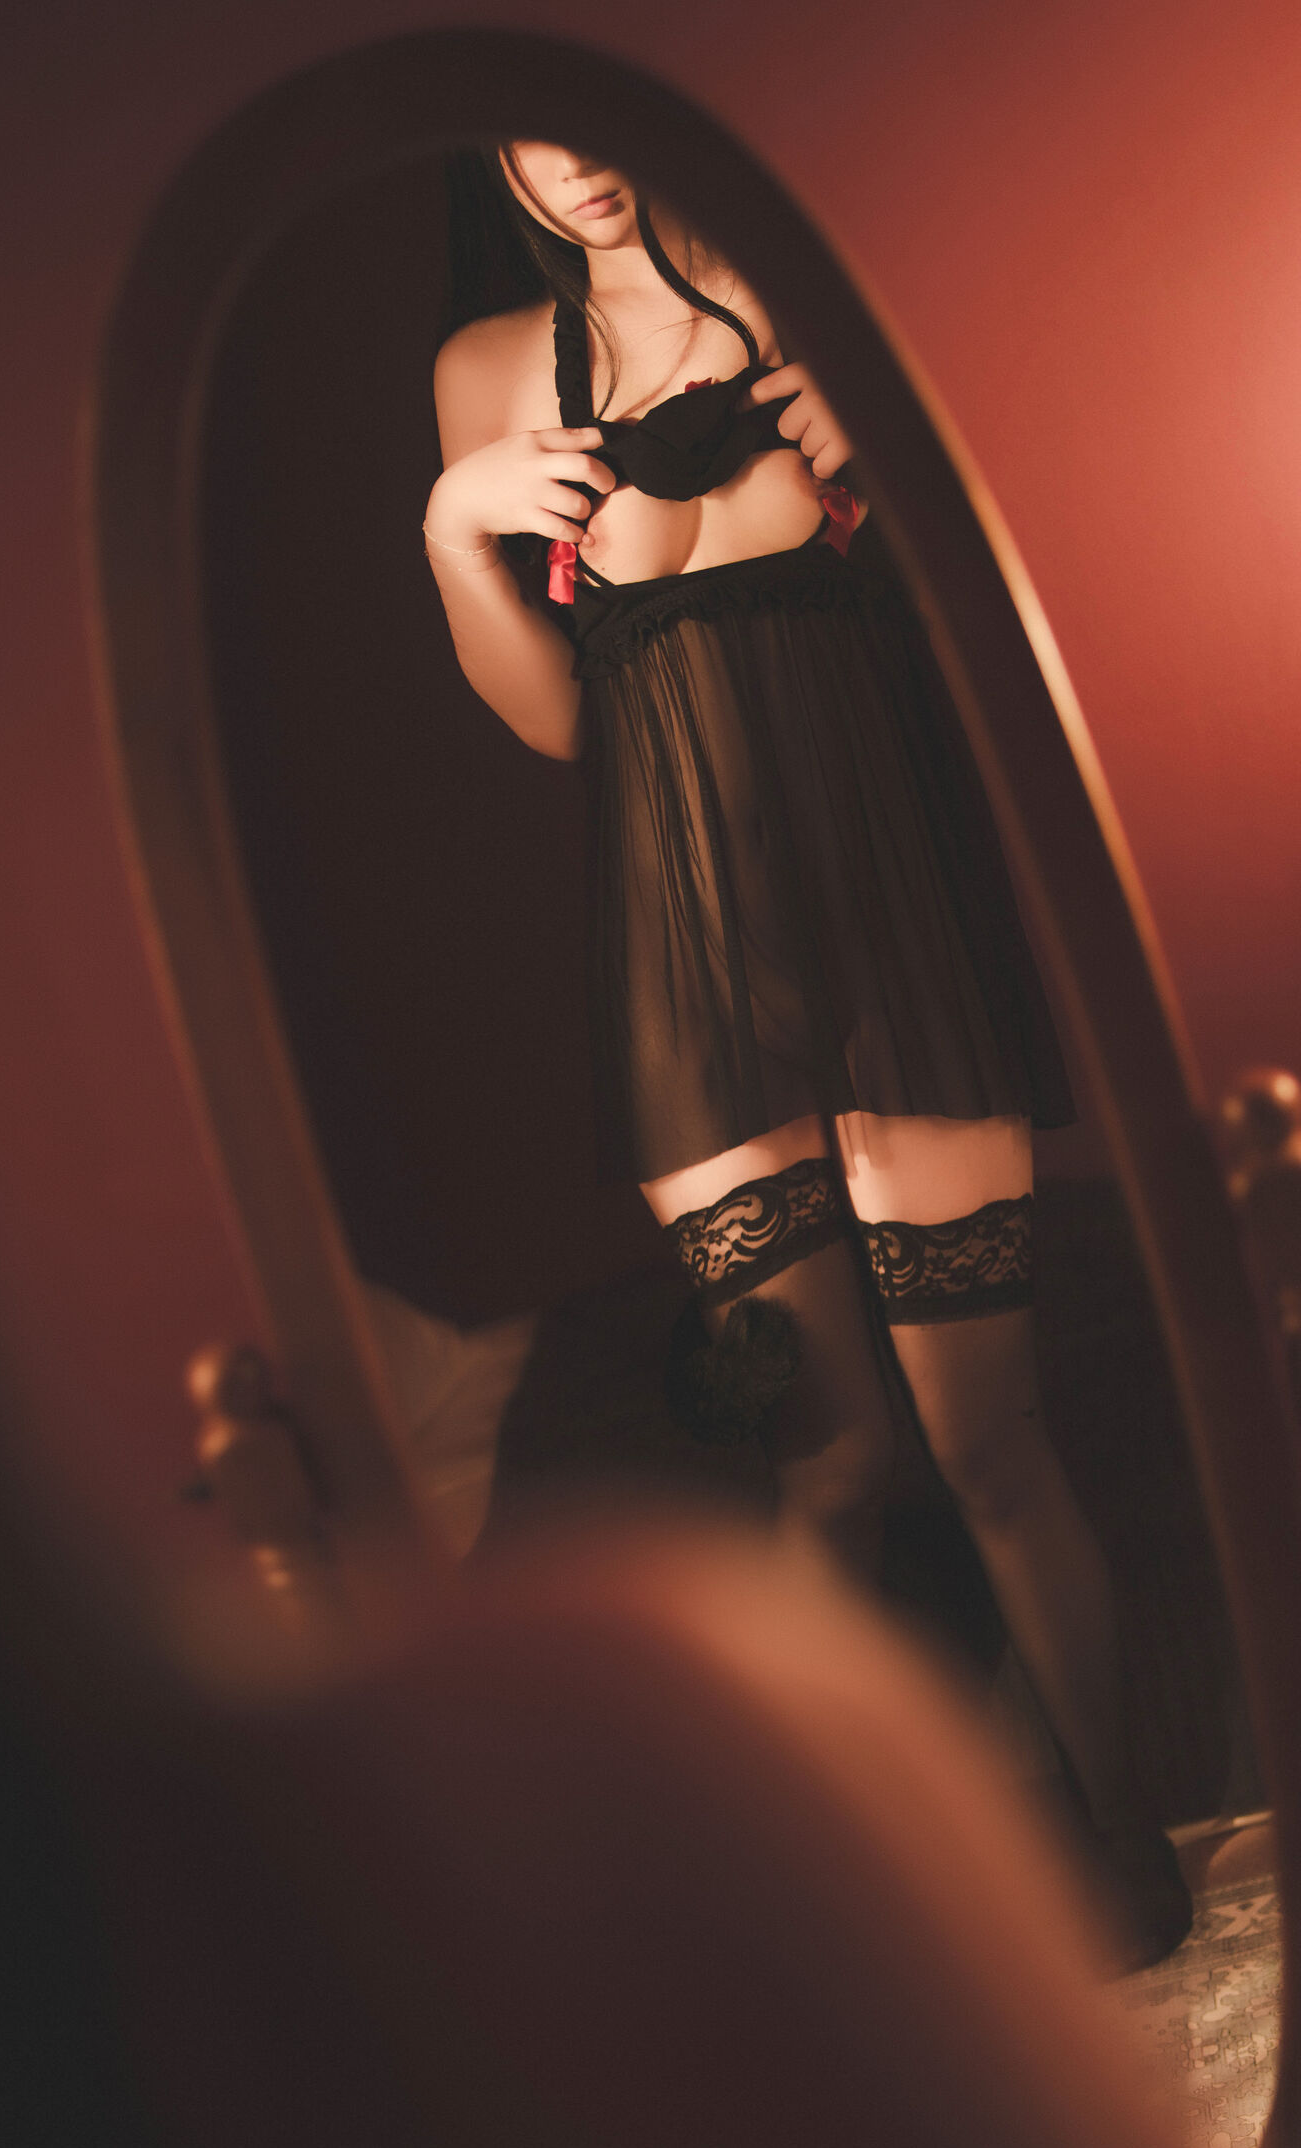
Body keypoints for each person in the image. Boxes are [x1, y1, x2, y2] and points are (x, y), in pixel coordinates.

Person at [422, 141, 1189, 1967]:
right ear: (492, 150)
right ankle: (858, 1916)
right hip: (682, 973)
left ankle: (1125, 1846)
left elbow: (1008, 592)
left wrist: (902, 457)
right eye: (527, 129)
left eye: (585, 102)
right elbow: (554, 725)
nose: (574, 161)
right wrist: (451, 528)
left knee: (990, 1443)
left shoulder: (808, 282)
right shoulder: (485, 369)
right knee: (826, 1466)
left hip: (894, 925)